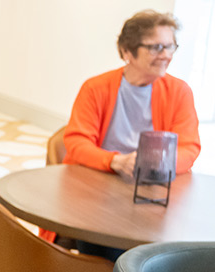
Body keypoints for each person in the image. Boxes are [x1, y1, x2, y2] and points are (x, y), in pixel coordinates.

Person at [62, 9, 200, 181]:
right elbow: (77, 141)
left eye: (170, 47)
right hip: (98, 174)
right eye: (156, 48)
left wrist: (155, 164)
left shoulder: (180, 91)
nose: (166, 55)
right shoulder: (95, 88)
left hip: (151, 180)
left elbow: (188, 147)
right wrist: (115, 161)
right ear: (127, 51)